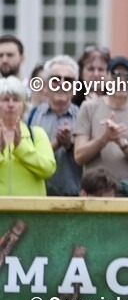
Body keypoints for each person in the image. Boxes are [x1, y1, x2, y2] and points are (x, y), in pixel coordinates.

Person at [73, 56, 128, 197]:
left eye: (127, 76)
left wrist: (121, 142)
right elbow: (79, 155)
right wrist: (104, 138)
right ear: (106, 78)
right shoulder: (88, 108)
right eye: (116, 75)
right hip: (96, 191)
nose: (121, 81)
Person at [28, 55, 82, 196]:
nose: (62, 84)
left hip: (75, 200)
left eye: (68, 80)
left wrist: (70, 145)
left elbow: (91, 161)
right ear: (45, 86)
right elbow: (26, 156)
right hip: (38, 197)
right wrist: (56, 144)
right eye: (55, 80)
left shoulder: (83, 116)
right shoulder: (31, 116)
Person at [0, 76, 56, 196]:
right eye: (5, 100)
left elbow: (48, 169)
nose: (11, 104)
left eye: (16, 100)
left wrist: (21, 148)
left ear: (23, 105)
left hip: (31, 212)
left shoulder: (36, 134)